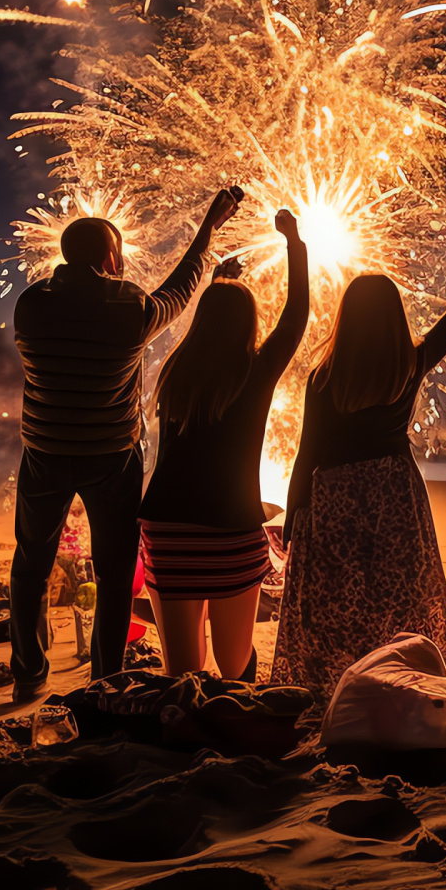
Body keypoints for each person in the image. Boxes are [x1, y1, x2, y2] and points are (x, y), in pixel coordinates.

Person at [8, 188, 243, 698]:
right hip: (110, 459)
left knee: (31, 564)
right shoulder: (128, 306)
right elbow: (179, 294)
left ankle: (28, 674)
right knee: (115, 573)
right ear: (111, 258)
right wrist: (207, 232)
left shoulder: (30, 306)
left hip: (45, 453)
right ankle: (105, 678)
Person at [270, 215, 446, 689]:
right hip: (394, 492)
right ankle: (399, 678)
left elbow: (306, 452)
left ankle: (338, 682)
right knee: (400, 592)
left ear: (346, 318)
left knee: (337, 595)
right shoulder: (411, 362)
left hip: (335, 494)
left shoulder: (324, 378)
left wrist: (293, 517)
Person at [139, 208, 309, 682]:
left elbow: (210, 329)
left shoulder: (176, 371)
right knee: (235, 668)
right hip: (229, 534)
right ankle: (228, 724)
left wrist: (217, 283)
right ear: (248, 323)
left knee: (181, 673)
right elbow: (297, 316)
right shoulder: (254, 372)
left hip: (168, 533)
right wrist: (295, 243)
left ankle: (184, 733)